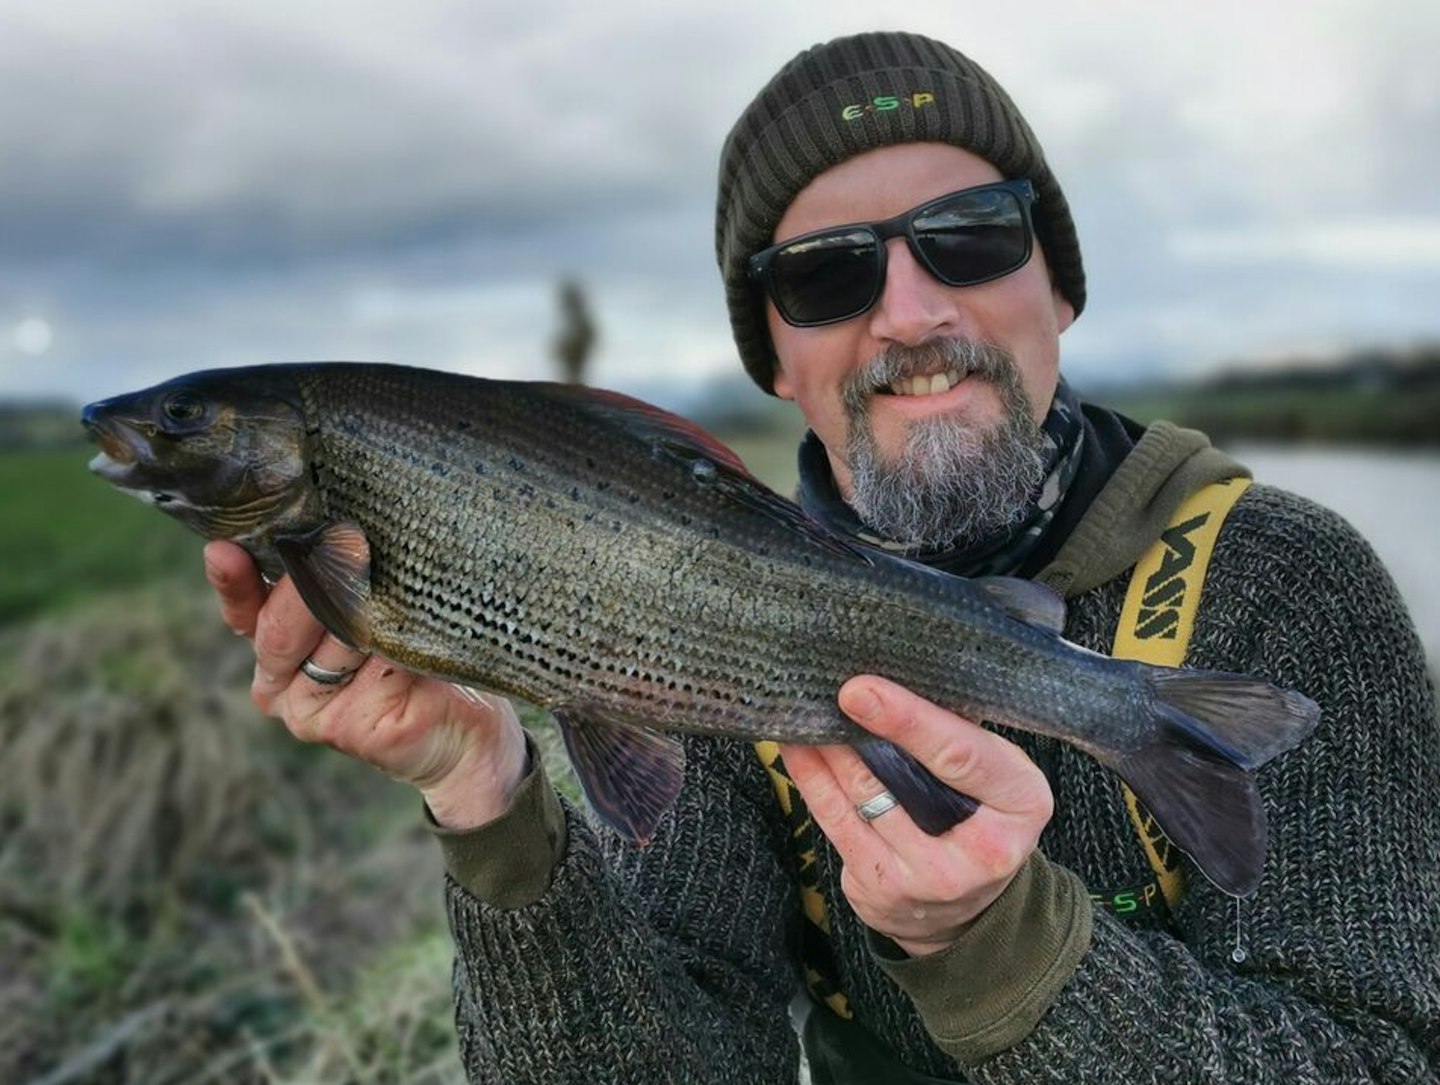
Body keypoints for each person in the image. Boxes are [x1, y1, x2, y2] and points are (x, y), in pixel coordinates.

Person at [203, 30, 1440, 1084]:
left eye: (971, 236)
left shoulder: (1290, 584)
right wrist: (488, 801)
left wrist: (1006, 947)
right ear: (776, 365)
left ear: (1060, 288)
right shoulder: (679, 629)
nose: (911, 313)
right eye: (829, 275)